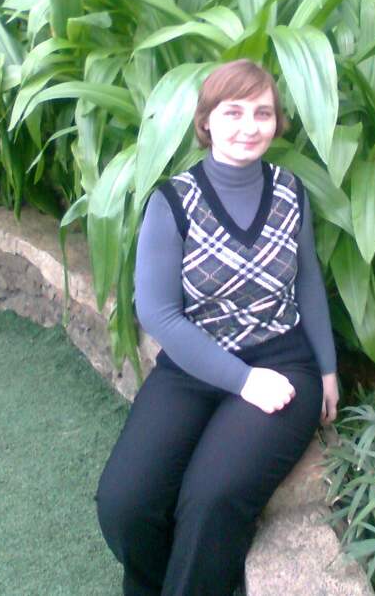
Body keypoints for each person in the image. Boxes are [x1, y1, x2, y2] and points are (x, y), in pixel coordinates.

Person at [96, 59, 339, 596]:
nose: (249, 126)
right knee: (124, 503)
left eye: (263, 113)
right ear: (206, 120)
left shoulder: (291, 191)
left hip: (283, 364)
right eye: (233, 112)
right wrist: (242, 380)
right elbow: (157, 313)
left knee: (211, 498)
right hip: (193, 366)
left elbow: (307, 283)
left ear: (277, 122)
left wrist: (326, 370)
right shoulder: (172, 201)